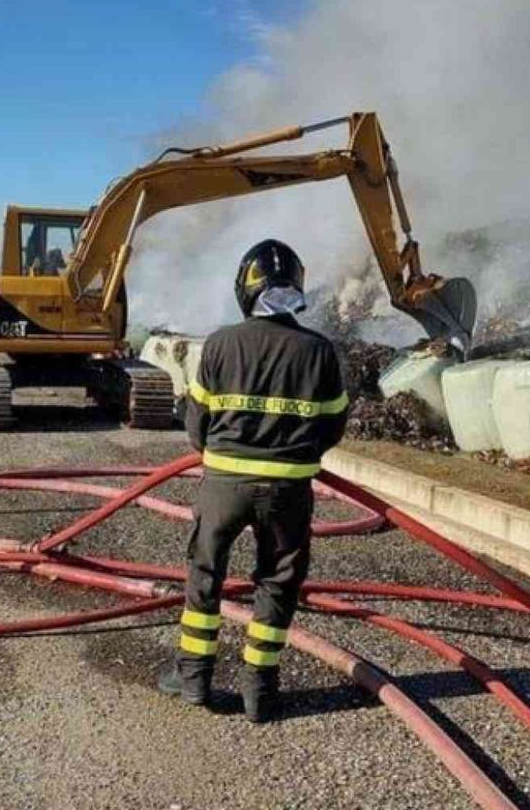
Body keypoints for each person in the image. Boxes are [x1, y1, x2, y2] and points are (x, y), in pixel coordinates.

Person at [158, 239, 350, 722]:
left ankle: (194, 677)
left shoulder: (221, 344)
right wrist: (295, 456)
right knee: (279, 581)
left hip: (224, 483)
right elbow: (332, 426)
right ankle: (259, 691)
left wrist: (220, 455)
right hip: (289, 490)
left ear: (245, 288)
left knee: (205, 576)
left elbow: (196, 423)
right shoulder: (320, 352)